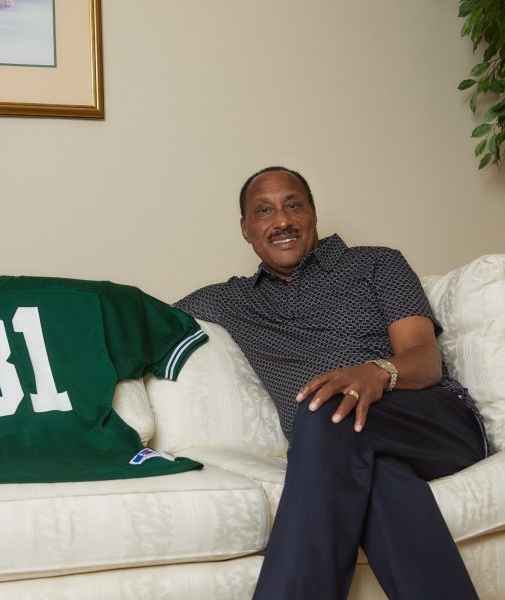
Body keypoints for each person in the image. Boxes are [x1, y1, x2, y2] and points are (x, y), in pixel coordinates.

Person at [174, 166, 489, 600]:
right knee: (381, 483)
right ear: (246, 229)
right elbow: (135, 313)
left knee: (327, 409)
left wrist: (376, 372)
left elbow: (425, 359)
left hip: (435, 423)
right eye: (264, 211)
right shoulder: (230, 300)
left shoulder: (377, 263)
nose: (281, 220)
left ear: (313, 213)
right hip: (345, 443)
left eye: (293, 205)